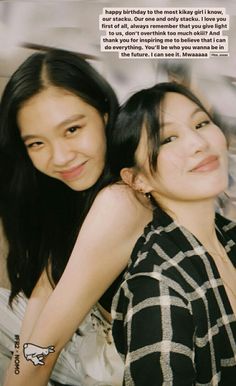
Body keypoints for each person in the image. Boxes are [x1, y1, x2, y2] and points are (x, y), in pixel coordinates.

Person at [0, 49, 152, 386]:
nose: (60, 158)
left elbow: (42, 351)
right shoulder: (77, 194)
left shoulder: (120, 200)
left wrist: (20, 370)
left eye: (71, 130)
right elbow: (44, 291)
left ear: (104, 113)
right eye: (37, 143)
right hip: (102, 346)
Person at [111, 83, 236, 385]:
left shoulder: (228, 234)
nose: (198, 142)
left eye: (202, 123)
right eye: (167, 138)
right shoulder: (157, 285)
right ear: (137, 179)